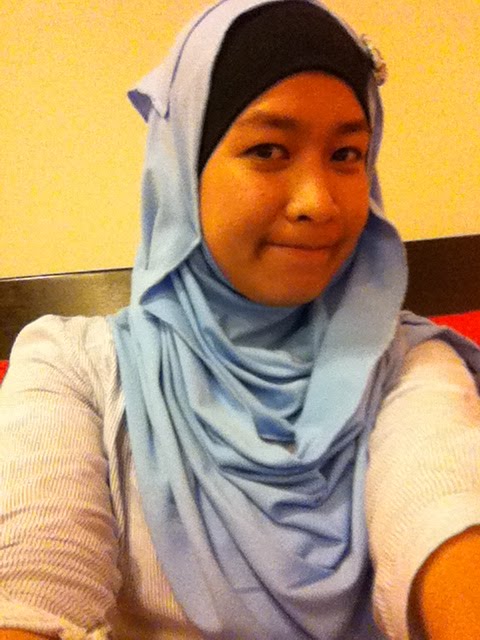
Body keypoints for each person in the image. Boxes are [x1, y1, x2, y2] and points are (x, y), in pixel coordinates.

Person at [0, 0, 479, 638]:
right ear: (183, 168)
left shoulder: (406, 363)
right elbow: (35, 579)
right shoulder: (75, 370)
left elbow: (441, 508)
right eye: (269, 149)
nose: (318, 203)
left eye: (346, 155)